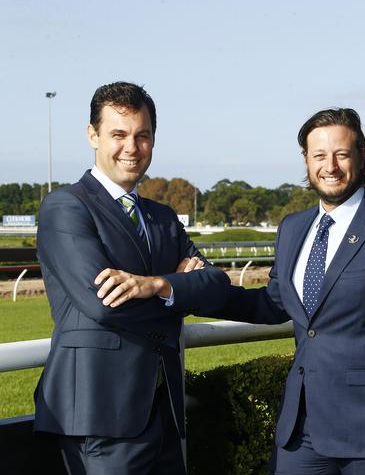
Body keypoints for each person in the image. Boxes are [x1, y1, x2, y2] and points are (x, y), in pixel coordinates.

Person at [106, 107, 365, 474]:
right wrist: (175, 287)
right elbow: (271, 305)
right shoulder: (294, 228)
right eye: (319, 155)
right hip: (302, 430)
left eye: (341, 154)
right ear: (306, 160)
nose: (329, 166)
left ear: (361, 156)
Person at [34, 81, 229, 474]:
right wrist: (178, 293)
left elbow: (217, 285)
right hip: (99, 414)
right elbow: (102, 306)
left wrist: (158, 285)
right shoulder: (65, 207)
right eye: (118, 135)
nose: (132, 147)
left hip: (164, 409)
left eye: (142, 136)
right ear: (92, 135)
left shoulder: (162, 216)